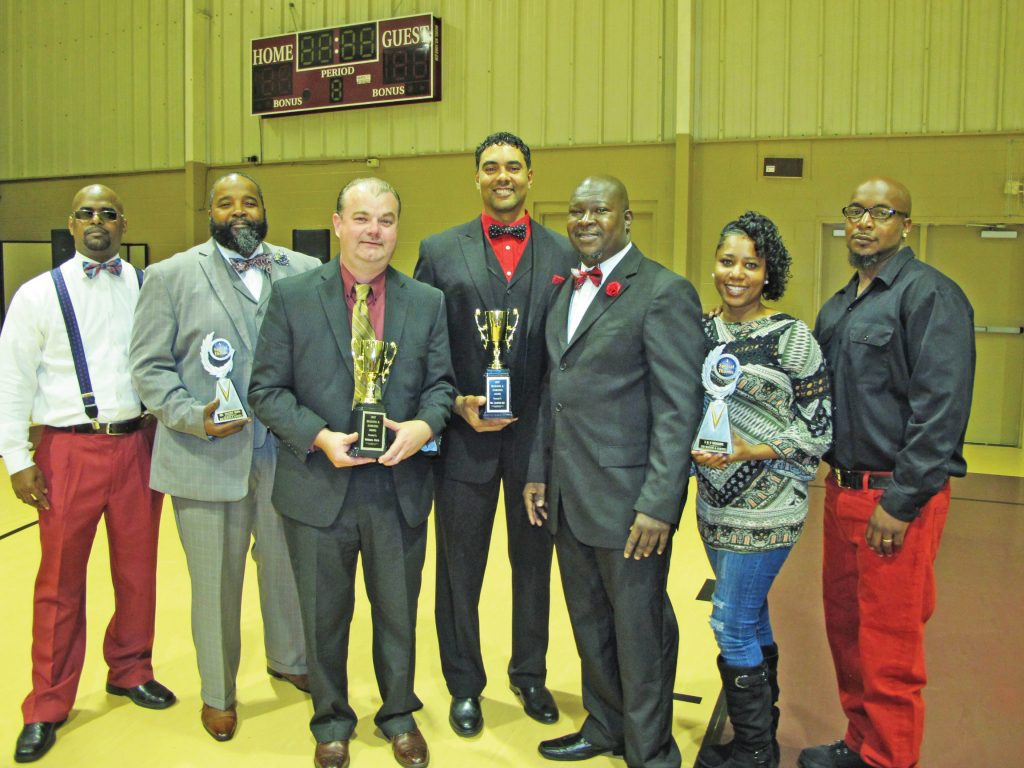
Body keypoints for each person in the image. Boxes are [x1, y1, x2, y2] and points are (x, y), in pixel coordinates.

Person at [248, 177, 455, 768]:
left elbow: (441, 386)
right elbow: (266, 390)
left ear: (397, 229)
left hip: (397, 487)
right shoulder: (291, 297)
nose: (374, 231)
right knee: (323, 617)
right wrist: (319, 436)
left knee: (398, 613)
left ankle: (398, 715)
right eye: (361, 218)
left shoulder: (426, 302)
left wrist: (423, 427)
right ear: (338, 224)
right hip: (318, 486)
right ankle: (332, 721)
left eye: (386, 220)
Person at [129, 173, 318, 741]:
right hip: (205, 456)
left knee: (287, 570)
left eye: (249, 201)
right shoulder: (170, 276)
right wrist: (193, 416)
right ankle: (218, 693)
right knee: (214, 585)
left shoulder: (304, 269)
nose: (239, 211)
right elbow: (148, 367)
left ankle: (290, 658)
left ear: (265, 209)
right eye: (225, 203)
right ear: (209, 213)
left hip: (287, 455)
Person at [523, 176, 704, 768]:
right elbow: (554, 391)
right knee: (590, 624)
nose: (586, 220)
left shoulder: (663, 292)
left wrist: (659, 504)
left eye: (599, 209)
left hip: (630, 504)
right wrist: (538, 471)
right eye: (576, 210)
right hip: (568, 495)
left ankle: (651, 752)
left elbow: (678, 409)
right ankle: (604, 725)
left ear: (627, 218)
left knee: (639, 633)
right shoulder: (564, 291)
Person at [801, 178, 975, 768]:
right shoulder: (839, 306)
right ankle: (861, 742)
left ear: (905, 224)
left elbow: (941, 411)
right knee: (847, 632)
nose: (864, 222)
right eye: (856, 211)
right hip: (842, 492)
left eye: (881, 212)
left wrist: (900, 503)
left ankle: (889, 759)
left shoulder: (930, 296)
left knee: (889, 645)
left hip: (895, 499)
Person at [0, 185, 175, 763]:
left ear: (124, 223)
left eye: (108, 213)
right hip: (67, 450)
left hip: (137, 445)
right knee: (59, 581)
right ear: (71, 225)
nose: (97, 220)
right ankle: (47, 703)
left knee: (138, 572)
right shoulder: (36, 295)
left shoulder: (149, 286)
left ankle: (131, 668)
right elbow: (12, 380)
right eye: (86, 213)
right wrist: (17, 459)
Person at [413, 131, 574, 735]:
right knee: (459, 569)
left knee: (533, 565)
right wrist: (454, 404)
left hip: (538, 441)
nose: (502, 175)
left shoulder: (565, 256)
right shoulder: (438, 250)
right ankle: (464, 683)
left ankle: (529, 673)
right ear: (476, 177)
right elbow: (424, 344)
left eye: (512, 166)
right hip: (463, 439)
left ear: (531, 176)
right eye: (490, 167)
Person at [690, 212, 832, 768]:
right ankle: (760, 734)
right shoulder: (702, 331)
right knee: (750, 618)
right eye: (728, 262)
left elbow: (819, 431)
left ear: (768, 273)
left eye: (750, 265)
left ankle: (754, 750)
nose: (737, 274)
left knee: (729, 621)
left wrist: (749, 449)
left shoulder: (792, 338)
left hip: (770, 509)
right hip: (713, 505)